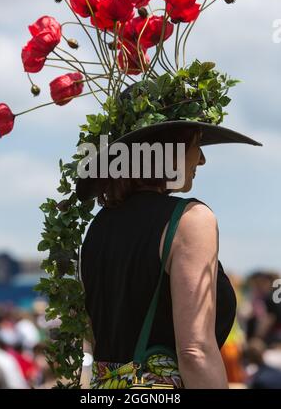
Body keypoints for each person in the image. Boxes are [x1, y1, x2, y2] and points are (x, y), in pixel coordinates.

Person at [77, 114, 261, 389]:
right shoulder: (190, 219)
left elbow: (90, 337)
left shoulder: (98, 227)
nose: (201, 159)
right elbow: (194, 352)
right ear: (169, 150)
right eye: (195, 145)